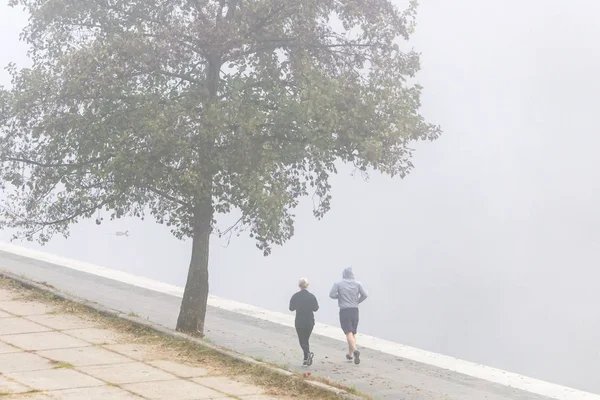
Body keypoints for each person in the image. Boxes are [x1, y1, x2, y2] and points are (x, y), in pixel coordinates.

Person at [329, 267, 368, 364]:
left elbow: (331, 295)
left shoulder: (338, 284)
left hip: (344, 310)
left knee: (348, 332)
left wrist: (339, 296)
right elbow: (365, 295)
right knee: (353, 333)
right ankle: (350, 355)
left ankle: (355, 351)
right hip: (355, 310)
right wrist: (357, 301)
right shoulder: (358, 284)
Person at [289, 277, 319, 366]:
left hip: (299, 321)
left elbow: (291, 308)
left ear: (299, 286)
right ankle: (306, 360)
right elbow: (316, 308)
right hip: (309, 321)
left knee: (302, 341)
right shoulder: (311, 296)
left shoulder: (295, 296)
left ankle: (308, 354)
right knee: (306, 340)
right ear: (307, 285)